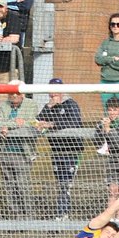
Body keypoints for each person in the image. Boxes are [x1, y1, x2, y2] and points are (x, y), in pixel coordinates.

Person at [35, 80, 83, 220]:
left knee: (66, 183)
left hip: (71, 150)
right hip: (56, 150)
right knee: (60, 182)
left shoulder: (71, 104)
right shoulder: (48, 107)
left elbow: (74, 122)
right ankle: (61, 212)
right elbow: (37, 121)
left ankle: (63, 213)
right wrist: (48, 109)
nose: (53, 93)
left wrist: (52, 124)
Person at [0, 86, 39, 214]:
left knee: (22, 186)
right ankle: (16, 216)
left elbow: (31, 123)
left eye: (17, 93)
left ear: (22, 94)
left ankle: (29, 216)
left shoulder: (31, 105)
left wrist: (8, 125)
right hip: (5, 151)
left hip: (22, 152)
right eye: (11, 93)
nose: (14, 96)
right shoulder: (3, 105)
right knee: (9, 186)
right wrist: (16, 122)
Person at [94, 97, 119, 216]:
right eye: (110, 110)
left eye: (115, 110)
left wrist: (108, 129)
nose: (112, 113)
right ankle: (109, 218)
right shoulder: (104, 123)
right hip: (111, 160)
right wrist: (100, 129)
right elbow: (97, 142)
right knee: (112, 190)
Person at [95, 12, 119, 111]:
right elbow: (98, 59)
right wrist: (112, 59)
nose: (115, 26)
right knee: (107, 113)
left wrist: (106, 60)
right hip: (106, 81)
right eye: (113, 24)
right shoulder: (105, 43)